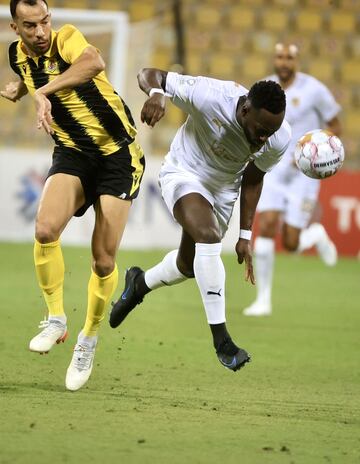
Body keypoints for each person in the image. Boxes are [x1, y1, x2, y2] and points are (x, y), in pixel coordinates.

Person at [1, 0, 145, 390]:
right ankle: (56, 319)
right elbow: (27, 77)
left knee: (102, 260)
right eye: (30, 26)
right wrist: (20, 89)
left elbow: (93, 63)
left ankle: (88, 338)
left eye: (45, 21)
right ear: (15, 28)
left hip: (117, 154)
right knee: (45, 229)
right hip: (73, 154)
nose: (41, 32)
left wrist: (43, 91)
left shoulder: (66, 39)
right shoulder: (17, 55)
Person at [109, 67, 291, 371]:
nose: (264, 138)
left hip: (222, 191)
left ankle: (138, 284)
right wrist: (157, 93)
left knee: (187, 265)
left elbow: (254, 178)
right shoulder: (210, 96)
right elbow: (148, 74)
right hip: (184, 173)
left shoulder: (277, 137)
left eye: (271, 132)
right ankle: (222, 341)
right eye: (261, 129)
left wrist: (245, 234)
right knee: (207, 237)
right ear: (245, 109)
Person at [243, 43, 341, 317]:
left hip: (304, 174)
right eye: (279, 57)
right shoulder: (265, 90)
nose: (283, 62)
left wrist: (319, 148)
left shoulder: (314, 90)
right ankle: (263, 300)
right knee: (267, 226)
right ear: (274, 60)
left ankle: (316, 235)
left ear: (297, 61)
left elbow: (336, 125)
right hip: (273, 168)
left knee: (290, 243)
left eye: (289, 58)